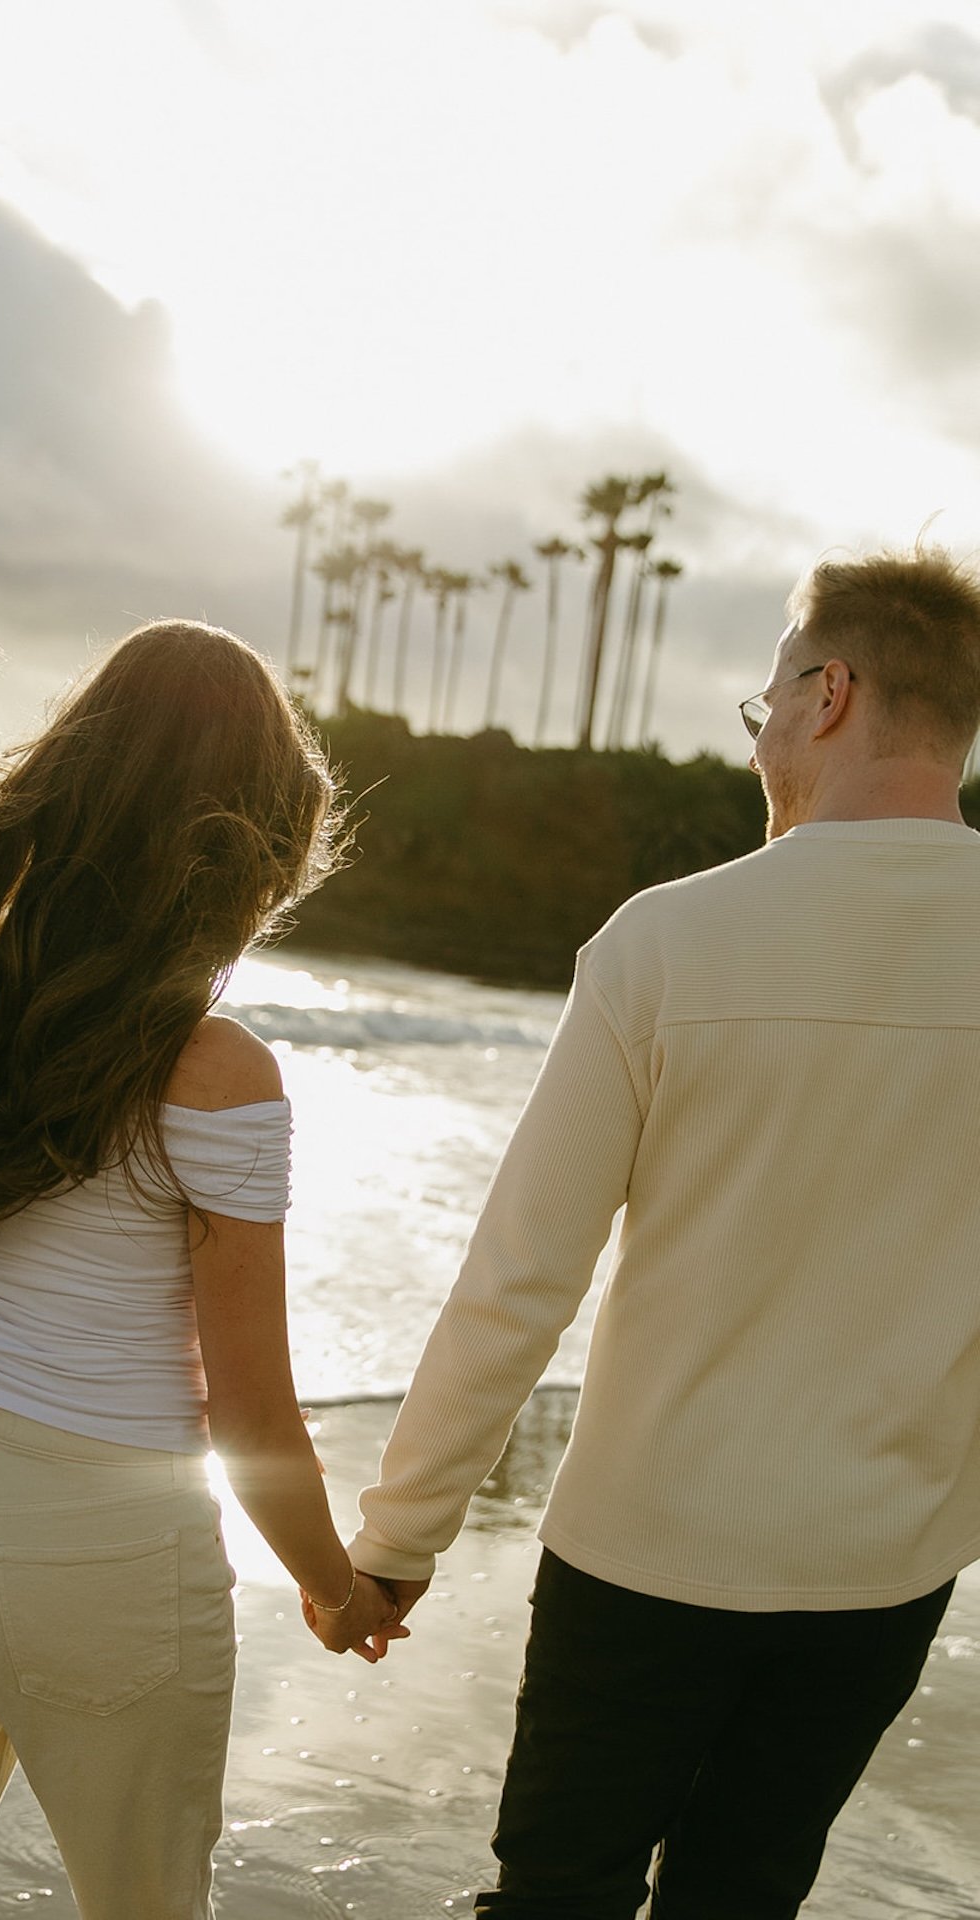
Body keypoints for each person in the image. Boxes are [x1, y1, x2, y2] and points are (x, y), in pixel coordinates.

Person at [318, 547, 980, 1917]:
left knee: (558, 1895)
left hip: (644, 1555)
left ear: (828, 692)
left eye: (764, 710)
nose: (764, 745)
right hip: (884, 1564)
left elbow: (521, 1281)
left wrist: (398, 1543)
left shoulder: (668, 942)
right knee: (745, 1898)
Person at [0, 619, 399, 1920]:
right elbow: (250, 1410)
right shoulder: (219, 1073)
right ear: (249, 846)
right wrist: (338, 1588)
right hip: (101, 1559)